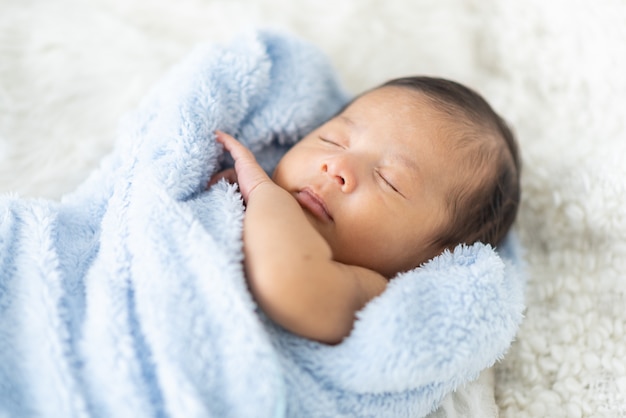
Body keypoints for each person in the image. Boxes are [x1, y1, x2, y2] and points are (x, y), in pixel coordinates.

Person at [210, 76, 521, 345]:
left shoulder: (369, 289)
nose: (337, 166)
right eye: (332, 140)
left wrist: (263, 193)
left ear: (435, 259)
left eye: (389, 181)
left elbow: (288, 286)